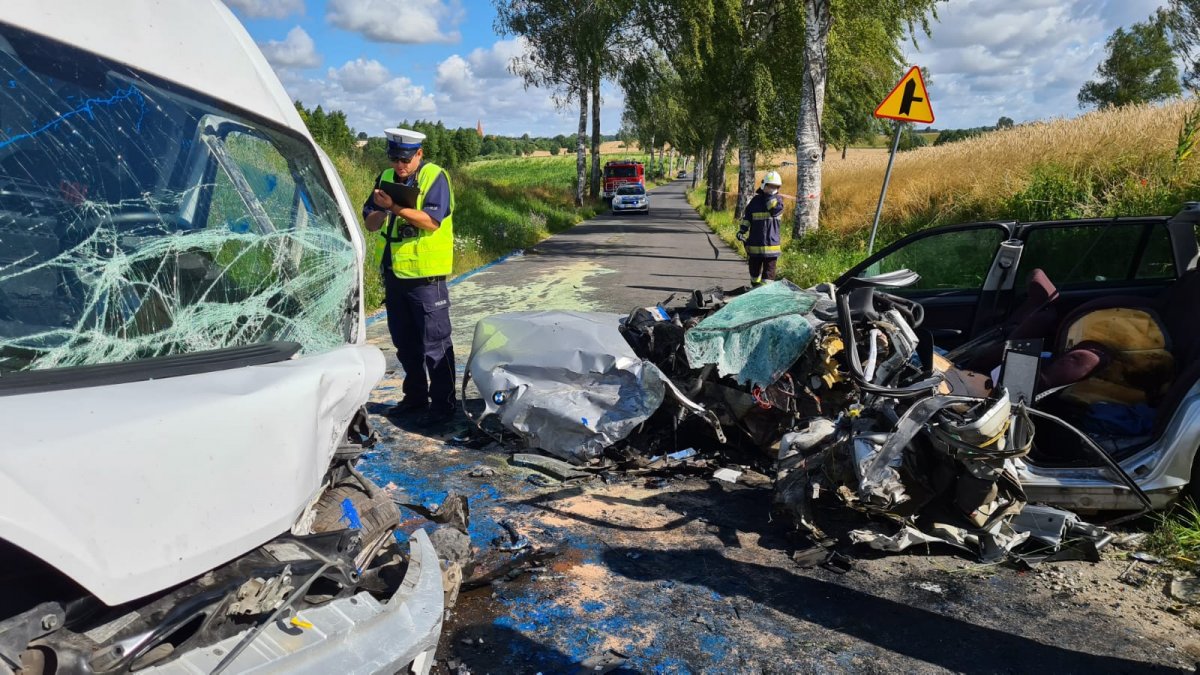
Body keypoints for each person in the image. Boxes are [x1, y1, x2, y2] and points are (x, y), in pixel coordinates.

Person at [363, 128, 457, 427]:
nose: (399, 165)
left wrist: (395, 207)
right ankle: (415, 397)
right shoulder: (386, 177)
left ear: (419, 154)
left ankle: (443, 405)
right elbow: (371, 224)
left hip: (426, 277)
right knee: (405, 342)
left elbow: (431, 221)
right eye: (394, 158)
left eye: (404, 159)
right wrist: (379, 208)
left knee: (435, 343)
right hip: (394, 274)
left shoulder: (434, 176)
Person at [737, 171, 784, 286]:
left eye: (776, 186)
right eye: (770, 186)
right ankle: (755, 288)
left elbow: (774, 210)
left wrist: (770, 196)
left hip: (771, 246)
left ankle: (764, 295)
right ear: (764, 185)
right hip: (755, 245)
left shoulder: (778, 200)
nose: (773, 188)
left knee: (768, 275)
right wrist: (742, 230)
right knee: (754, 273)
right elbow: (748, 217)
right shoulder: (755, 201)